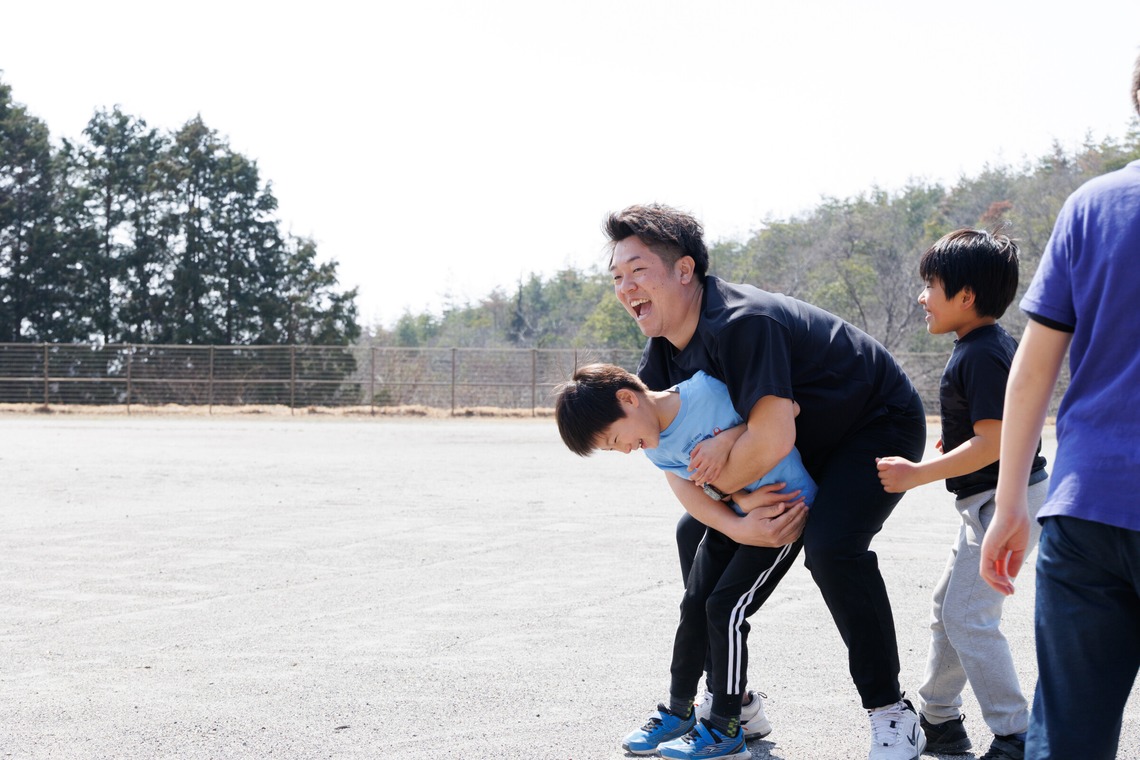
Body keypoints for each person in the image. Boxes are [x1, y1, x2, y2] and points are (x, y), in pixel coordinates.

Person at [605, 203, 929, 760]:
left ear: (685, 271)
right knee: (695, 534)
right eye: (616, 277)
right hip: (799, 448)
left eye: (637, 271)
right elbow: (673, 458)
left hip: (873, 424)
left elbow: (772, 436)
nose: (625, 287)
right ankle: (735, 704)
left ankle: (893, 714)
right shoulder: (663, 349)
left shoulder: (741, 322)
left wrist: (737, 490)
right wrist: (737, 513)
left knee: (832, 549)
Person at [979, 52, 1140, 760]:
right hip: (1089, 508)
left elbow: (1031, 372)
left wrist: (1009, 501)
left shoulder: (1094, 206)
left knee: (1067, 738)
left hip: (1085, 510)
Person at [554, 363, 818, 759]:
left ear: (628, 399)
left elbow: (788, 410)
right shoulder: (654, 444)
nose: (625, 450)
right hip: (738, 520)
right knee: (694, 604)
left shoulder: (708, 391)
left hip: (782, 515)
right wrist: (739, 515)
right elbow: (695, 492)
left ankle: (727, 727)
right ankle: (680, 712)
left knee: (724, 608)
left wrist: (727, 438)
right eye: (613, 449)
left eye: (615, 439)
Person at [875, 229, 1049, 760]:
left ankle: (1015, 734)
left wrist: (918, 472)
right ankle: (940, 719)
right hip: (989, 502)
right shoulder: (984, 349)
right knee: (949, 609)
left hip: (1004, 503)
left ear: (966, 296)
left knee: (970, 617)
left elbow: (994, 442)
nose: (922, 297)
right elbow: (994, 428)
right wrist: (955, 441)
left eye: (931, 285)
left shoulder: (981, 354)